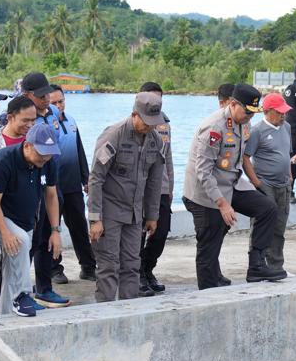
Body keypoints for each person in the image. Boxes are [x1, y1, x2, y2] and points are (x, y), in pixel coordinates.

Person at [183, 83, 285, 288]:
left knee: (267, 209)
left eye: (254, 113)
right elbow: (204, 172)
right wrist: (222, 204)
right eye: (247, 111)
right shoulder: (213, 128)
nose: (250, 117)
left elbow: (240, 159)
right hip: (205, 192)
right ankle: (208, 289)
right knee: (210, 241)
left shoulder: (243, 122)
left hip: (232, 184)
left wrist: (255, 184)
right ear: (232, 104)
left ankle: (256, 265)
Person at [87, 92, 167, 302]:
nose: (149, 126)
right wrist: (95, 218)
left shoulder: (156, 141)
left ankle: (129, 310)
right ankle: (104, 312)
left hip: (134, 214)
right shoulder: (114, 135)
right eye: (146, 122)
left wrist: (152, 215)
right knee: (109, 265)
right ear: (134, 114)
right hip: (110, 211)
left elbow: (155, 181)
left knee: (132, 264)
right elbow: (96, 178)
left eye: (153, 122)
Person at [0, 123, 63, 317]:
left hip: (26, 221)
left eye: (49, 153)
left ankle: (5, 316)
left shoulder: (48, 163)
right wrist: (4, 232)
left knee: (12, 272)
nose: (45, 158)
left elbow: (51, 196)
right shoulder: (5, 159)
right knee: (21, 242)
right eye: (41, 153)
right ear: (27, 145)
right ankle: (23, 295)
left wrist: (55, 231)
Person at [19, 72, 71, 308]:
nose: (47, 98)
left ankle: (44, 288)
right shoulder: (16, 116)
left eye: (47, 93)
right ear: (27, 95)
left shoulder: (52, 115)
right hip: (27, 188)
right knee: (25, 246)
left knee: (46, 241)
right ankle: (19, 292)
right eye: (40, 95)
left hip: (49, 182)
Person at [47, 84, 96, 286]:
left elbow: (79, 151)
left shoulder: (72, 121)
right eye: (54, 102)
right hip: (52, 187)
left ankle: (88, 266)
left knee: (79, 227)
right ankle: (54, 269)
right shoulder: (44, 124)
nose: (59, 106)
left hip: (73, 185)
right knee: (53, 228)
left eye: (61, 101)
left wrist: (86, 178)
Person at [244, 92, 294, 274]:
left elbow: (286, 154)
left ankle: (276, 266)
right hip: (266, 185)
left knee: (279, 227)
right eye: (280, 112)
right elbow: (246, 157)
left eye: (284, 112)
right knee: (261, 226)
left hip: (284, 185)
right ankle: (257, 265)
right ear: (268, 111)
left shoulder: (286, 127)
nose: (283, 115)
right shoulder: (257, 131)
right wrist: (257, 183)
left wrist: (289, 176)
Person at [136, 81, 175, 295]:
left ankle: (148, 268)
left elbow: (167, 155)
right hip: (140, 188)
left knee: (160, 232)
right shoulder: (135, 122)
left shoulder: (164, 123)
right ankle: (137, 274)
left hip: (160, 187)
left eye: (159, 99)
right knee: (139, 233)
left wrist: (170, 185)